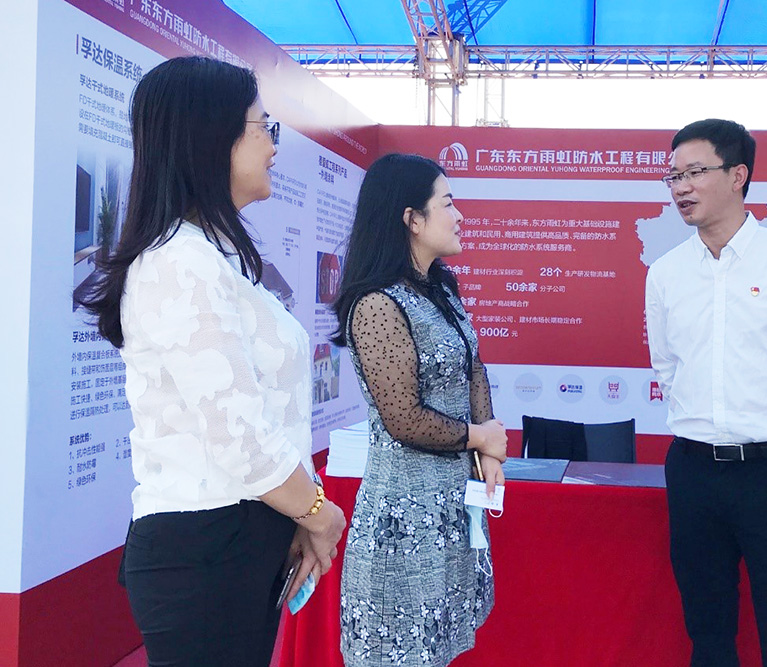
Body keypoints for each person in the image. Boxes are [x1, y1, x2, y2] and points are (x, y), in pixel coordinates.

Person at [76, 56, 346, 666]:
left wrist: (299, 512)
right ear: (210, 137)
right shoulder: (180, 261)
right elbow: (237, 434)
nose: (273, 145)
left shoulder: (208, 256)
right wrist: (315, 511)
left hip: (233, 543)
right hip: (207, 549)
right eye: (262, 126)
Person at [645, 119, 767, 666]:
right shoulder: (665, 273)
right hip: (692, 472)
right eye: (673, 176)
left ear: (738, 175)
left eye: (695, 172)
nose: (681, 187)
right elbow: (667, 367)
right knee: (707, 632)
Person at [331, 153, 507, 667]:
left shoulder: (440, 289)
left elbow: (473, 366)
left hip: (450, 510)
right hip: (403, 522)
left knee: (440, 650)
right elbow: (403, 418)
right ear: (412, 218)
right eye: (447, 203)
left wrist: (489, 449)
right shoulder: (377, 304)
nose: (459, 216)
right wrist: (480, 438)